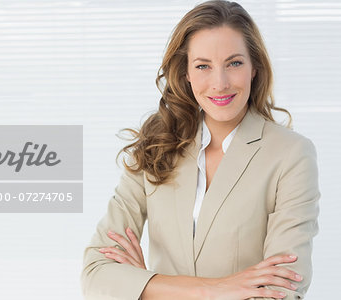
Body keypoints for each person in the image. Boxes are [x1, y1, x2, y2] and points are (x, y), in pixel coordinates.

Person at [81, 1, 320, 299]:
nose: (219, 83)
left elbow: (280, 289)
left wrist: (146, 286)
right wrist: (218, 288)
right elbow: (96, 274)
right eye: (203, 66)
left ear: (254, 68)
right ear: (186, 73)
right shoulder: (157, 144)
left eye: (234, 63)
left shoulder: (291, 155)